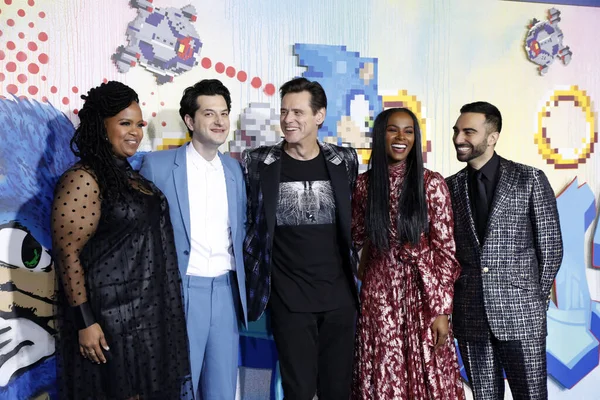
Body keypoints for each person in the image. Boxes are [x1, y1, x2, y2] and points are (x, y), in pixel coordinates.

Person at [51, 81, 194, 399]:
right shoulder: (83, 178)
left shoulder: (131, 176)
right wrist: (85, 322)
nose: (136, 131)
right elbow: (68, 254)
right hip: (110, 321)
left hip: (148, 316)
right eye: (125, 123)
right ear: (102, 128)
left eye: (139, 124)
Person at [242, 77, 358, 399]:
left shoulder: (345, 161)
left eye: (297, 112)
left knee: (338, 391)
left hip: (339, 301)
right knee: (298, 391)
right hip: (289, 301)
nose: (288, 120)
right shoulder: (258, 162)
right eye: (283, 112)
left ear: (319, 116)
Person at [446, 101, 563, 399]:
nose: (459, 138)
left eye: (468, 132)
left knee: (531, 396)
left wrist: (533, 301)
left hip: (522, 313)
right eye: (457, 131)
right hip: (470, 314)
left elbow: (551, 248)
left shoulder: (529, 178)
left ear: (492, 136)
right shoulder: (449, 187)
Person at [139, 79, 247, 400]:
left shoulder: (235, 171)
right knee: (177, 389)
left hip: (227, 293)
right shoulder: (157, 167)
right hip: (180, 292)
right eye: (209, 114)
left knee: (222, 391)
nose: (219, 122)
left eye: (224, 114)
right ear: (190, 120)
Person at [351, 108, 465, 399]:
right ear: (380, 135)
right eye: (393, 129)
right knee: (384, 374)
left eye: (409, 131)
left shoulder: (431, 184)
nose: (401, 137)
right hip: (379, 295)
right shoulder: (364, 185)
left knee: (429, 375)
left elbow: (446, 253)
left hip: (422, 293)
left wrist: (442, 310)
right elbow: (356, 238)